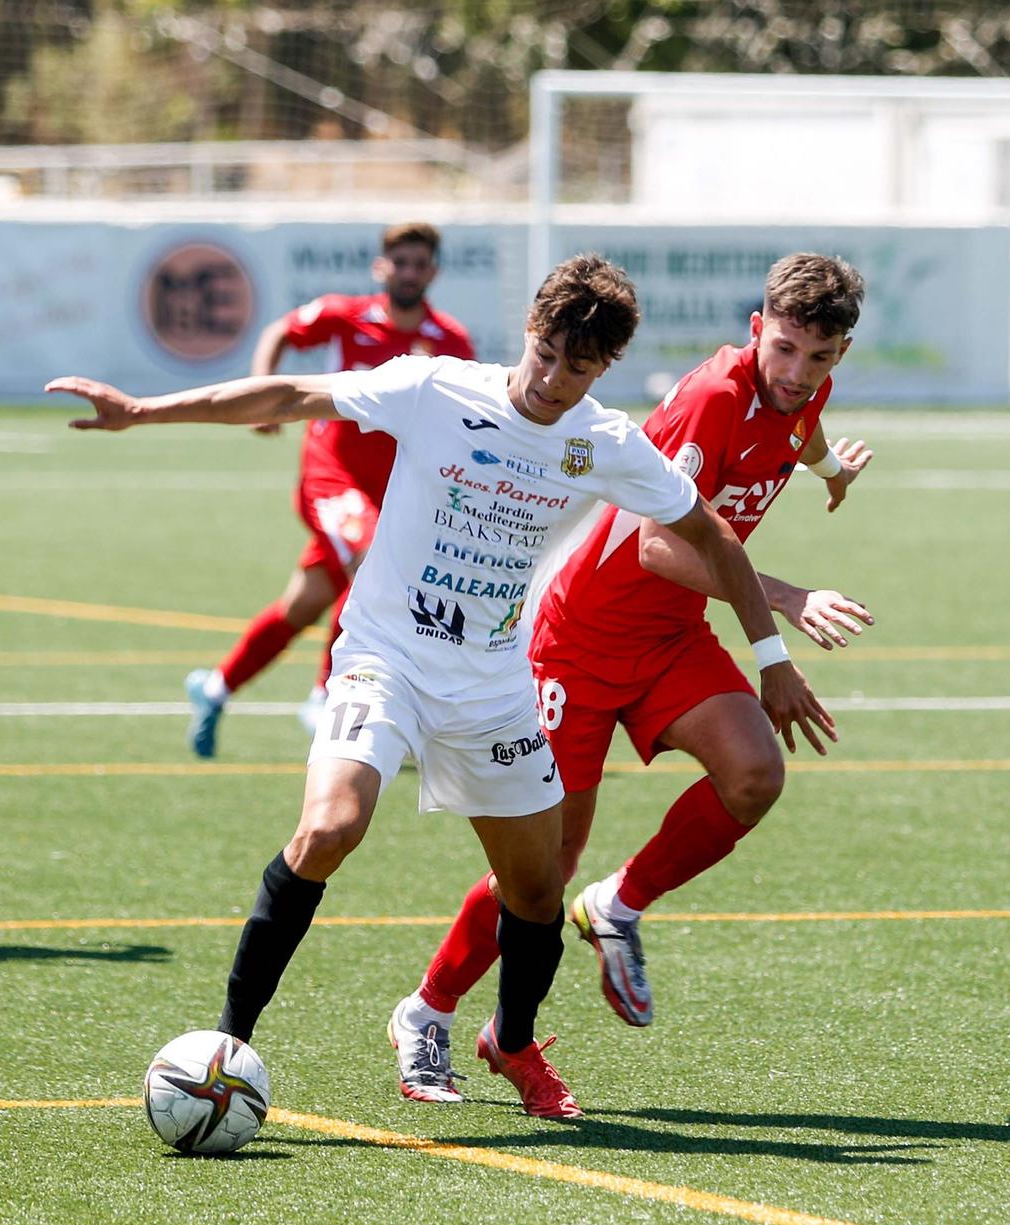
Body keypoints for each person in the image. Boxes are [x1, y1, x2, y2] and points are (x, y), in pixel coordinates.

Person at [49, 254, 833, 1119]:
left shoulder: (601, 441)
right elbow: (287, 398)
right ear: (527, 333)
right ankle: (230, 1040)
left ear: (602, 369)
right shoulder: (435, 388)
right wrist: (141, 410)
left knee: (537, 889)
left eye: (578, 368)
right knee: (331, 825)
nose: (552, 379)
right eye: (545, 353)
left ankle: (516, 1044)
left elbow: (712, 536)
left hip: (493, 683)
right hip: (386, 659)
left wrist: (771, 652)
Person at [387, 253, 874, 1103]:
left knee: (756, 773)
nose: (798, 374)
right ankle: (428, 1012)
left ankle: (617, 907)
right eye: (786, 350)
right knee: (544, 866)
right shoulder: (712, 399)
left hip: (670, 636)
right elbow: (657, 544)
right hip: (579, 642)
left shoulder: (804, 394)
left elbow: (805, 433)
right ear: (758, 330)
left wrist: (831, 474)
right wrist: (788, 601)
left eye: (820, 358)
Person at [184, 221, 474, 757]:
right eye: (400, 262)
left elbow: (462, 415)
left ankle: (214, 687)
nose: (409, 273)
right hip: (330, 471)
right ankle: (326, 696)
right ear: (381, 266)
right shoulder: (345, 315)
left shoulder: (450, 341)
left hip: (390, 492)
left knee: (305, 603)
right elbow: (279, 333)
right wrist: (260, 399)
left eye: (419, 264)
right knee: (368, 560)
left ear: (432, 271)